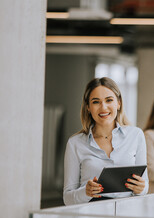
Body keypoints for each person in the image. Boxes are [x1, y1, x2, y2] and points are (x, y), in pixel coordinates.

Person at [63, 77, 148, 205]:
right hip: (91, 216)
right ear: (88, 107)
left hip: (127, 214)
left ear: (118, 103)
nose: (103, 107)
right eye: (96, 102)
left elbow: (145, 185)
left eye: (109, 100)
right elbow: (67, 198)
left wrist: (142, 188)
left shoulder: (136, 135)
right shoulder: (75, 143)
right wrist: (85, 193)